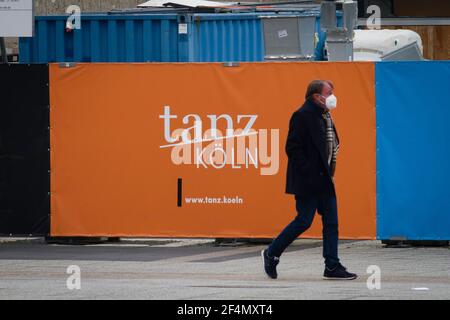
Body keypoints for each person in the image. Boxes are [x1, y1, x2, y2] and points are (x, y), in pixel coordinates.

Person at [261, 80, 357, 280]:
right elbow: (292, 148)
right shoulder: (302, 115)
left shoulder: (325, 116)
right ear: (316, 96)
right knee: (304, 220)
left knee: (331, 222)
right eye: (329, 92)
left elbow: (330, 147)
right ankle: (271, 253)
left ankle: (332, 265)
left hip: (325, 179)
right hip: (309, 180)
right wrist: (309, 172)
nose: (332, 96)